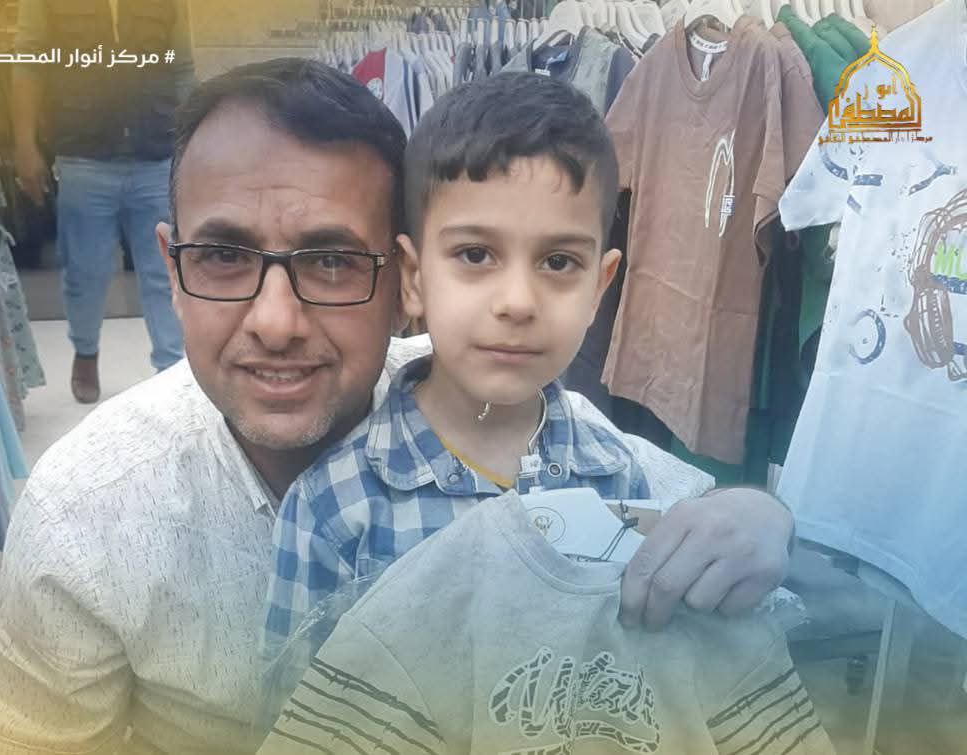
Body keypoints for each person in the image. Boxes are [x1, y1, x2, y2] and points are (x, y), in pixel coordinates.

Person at [0, 60, 792, 754]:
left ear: (401, 288)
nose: (275, 321)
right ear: (172, 269)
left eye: (331, 261)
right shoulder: (85, 517)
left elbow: (647, 487)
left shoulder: (480, 389)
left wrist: (759, 515)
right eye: (224, 256)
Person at [260, 72, 795, 683]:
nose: (517, 302)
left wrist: (767, 516)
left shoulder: (618, 476)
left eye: (558, 262)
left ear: (599, 286)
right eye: (475, 255)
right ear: (413, 277)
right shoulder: (337, 509)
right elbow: (293, 711)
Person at [12, 0, 193, 403]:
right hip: (84, 156)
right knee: (85, 272)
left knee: (164, 269)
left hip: (157, 153)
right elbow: (28, 63)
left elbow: (182, 68)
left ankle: (172, 370)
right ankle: (85, 351)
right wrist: (24, 145)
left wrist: (192, 141)